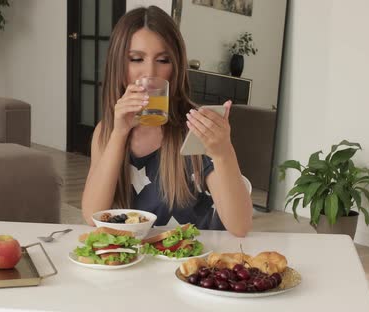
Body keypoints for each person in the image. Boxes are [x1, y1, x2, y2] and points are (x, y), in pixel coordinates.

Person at [81, 6, 252, 237]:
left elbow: (240, 227)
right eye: (136, 59)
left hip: (192, 264)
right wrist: (119, 134)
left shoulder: (195, 127)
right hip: (135, 263)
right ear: (119, 66)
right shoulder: (107, 131)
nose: (150, 72)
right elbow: (93, 216)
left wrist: (223, 151)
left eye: (163, 60)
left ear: (176, 67)